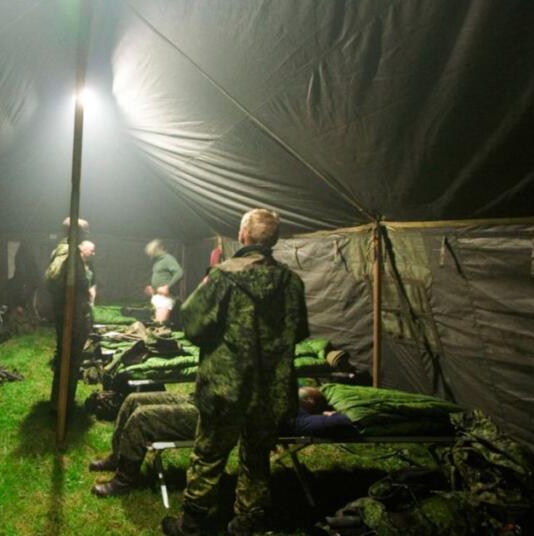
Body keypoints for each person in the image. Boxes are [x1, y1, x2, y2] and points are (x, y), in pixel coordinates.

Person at [163, 208, 309, 536]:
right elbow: (297, 332)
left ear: (243, 235)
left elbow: (194, 326)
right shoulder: (291, 282)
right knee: (257, 460)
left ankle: (192, 525)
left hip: (225, 389)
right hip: (270, 391)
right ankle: (247, 523)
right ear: (274, 239)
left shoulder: (223, 275)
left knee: (209, 455)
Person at [88, 387, 352, 498]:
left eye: (305, 392)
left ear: (309, 403)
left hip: (214, 421)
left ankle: (124, 479)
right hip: (205, 402)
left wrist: (332, 414)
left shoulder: (298, 416)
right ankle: (117, 455)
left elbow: (341, 422)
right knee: (134, 399)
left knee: (143, 418)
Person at [45, 218, 94, 412]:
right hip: (72, 313)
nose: (86, 235)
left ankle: (58, 400)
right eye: (85, 232)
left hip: (63, 310)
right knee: (71, 358)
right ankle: (64, 403)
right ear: (77, 232)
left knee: (63, 355)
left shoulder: (58, 249)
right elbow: (73, 281)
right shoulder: (70, 252)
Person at [145, 239, 183, 325]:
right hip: (157, 297)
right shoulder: (157, 262)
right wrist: (152, 288)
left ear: (160, 248)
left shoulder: (168, 259)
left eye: (153, 251)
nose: (151, 254)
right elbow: (161, 277)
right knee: (157, 324)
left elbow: (179, 272)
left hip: (165, 298)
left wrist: (168, 287)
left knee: (160, 325)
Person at [79, 240, 98, 305]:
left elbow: (93, 281)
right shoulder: (75, 264)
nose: (93, 253)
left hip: (86, 301)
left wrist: (92, 290)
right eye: (91, 251)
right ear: (83, 249)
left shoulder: (90, 265)